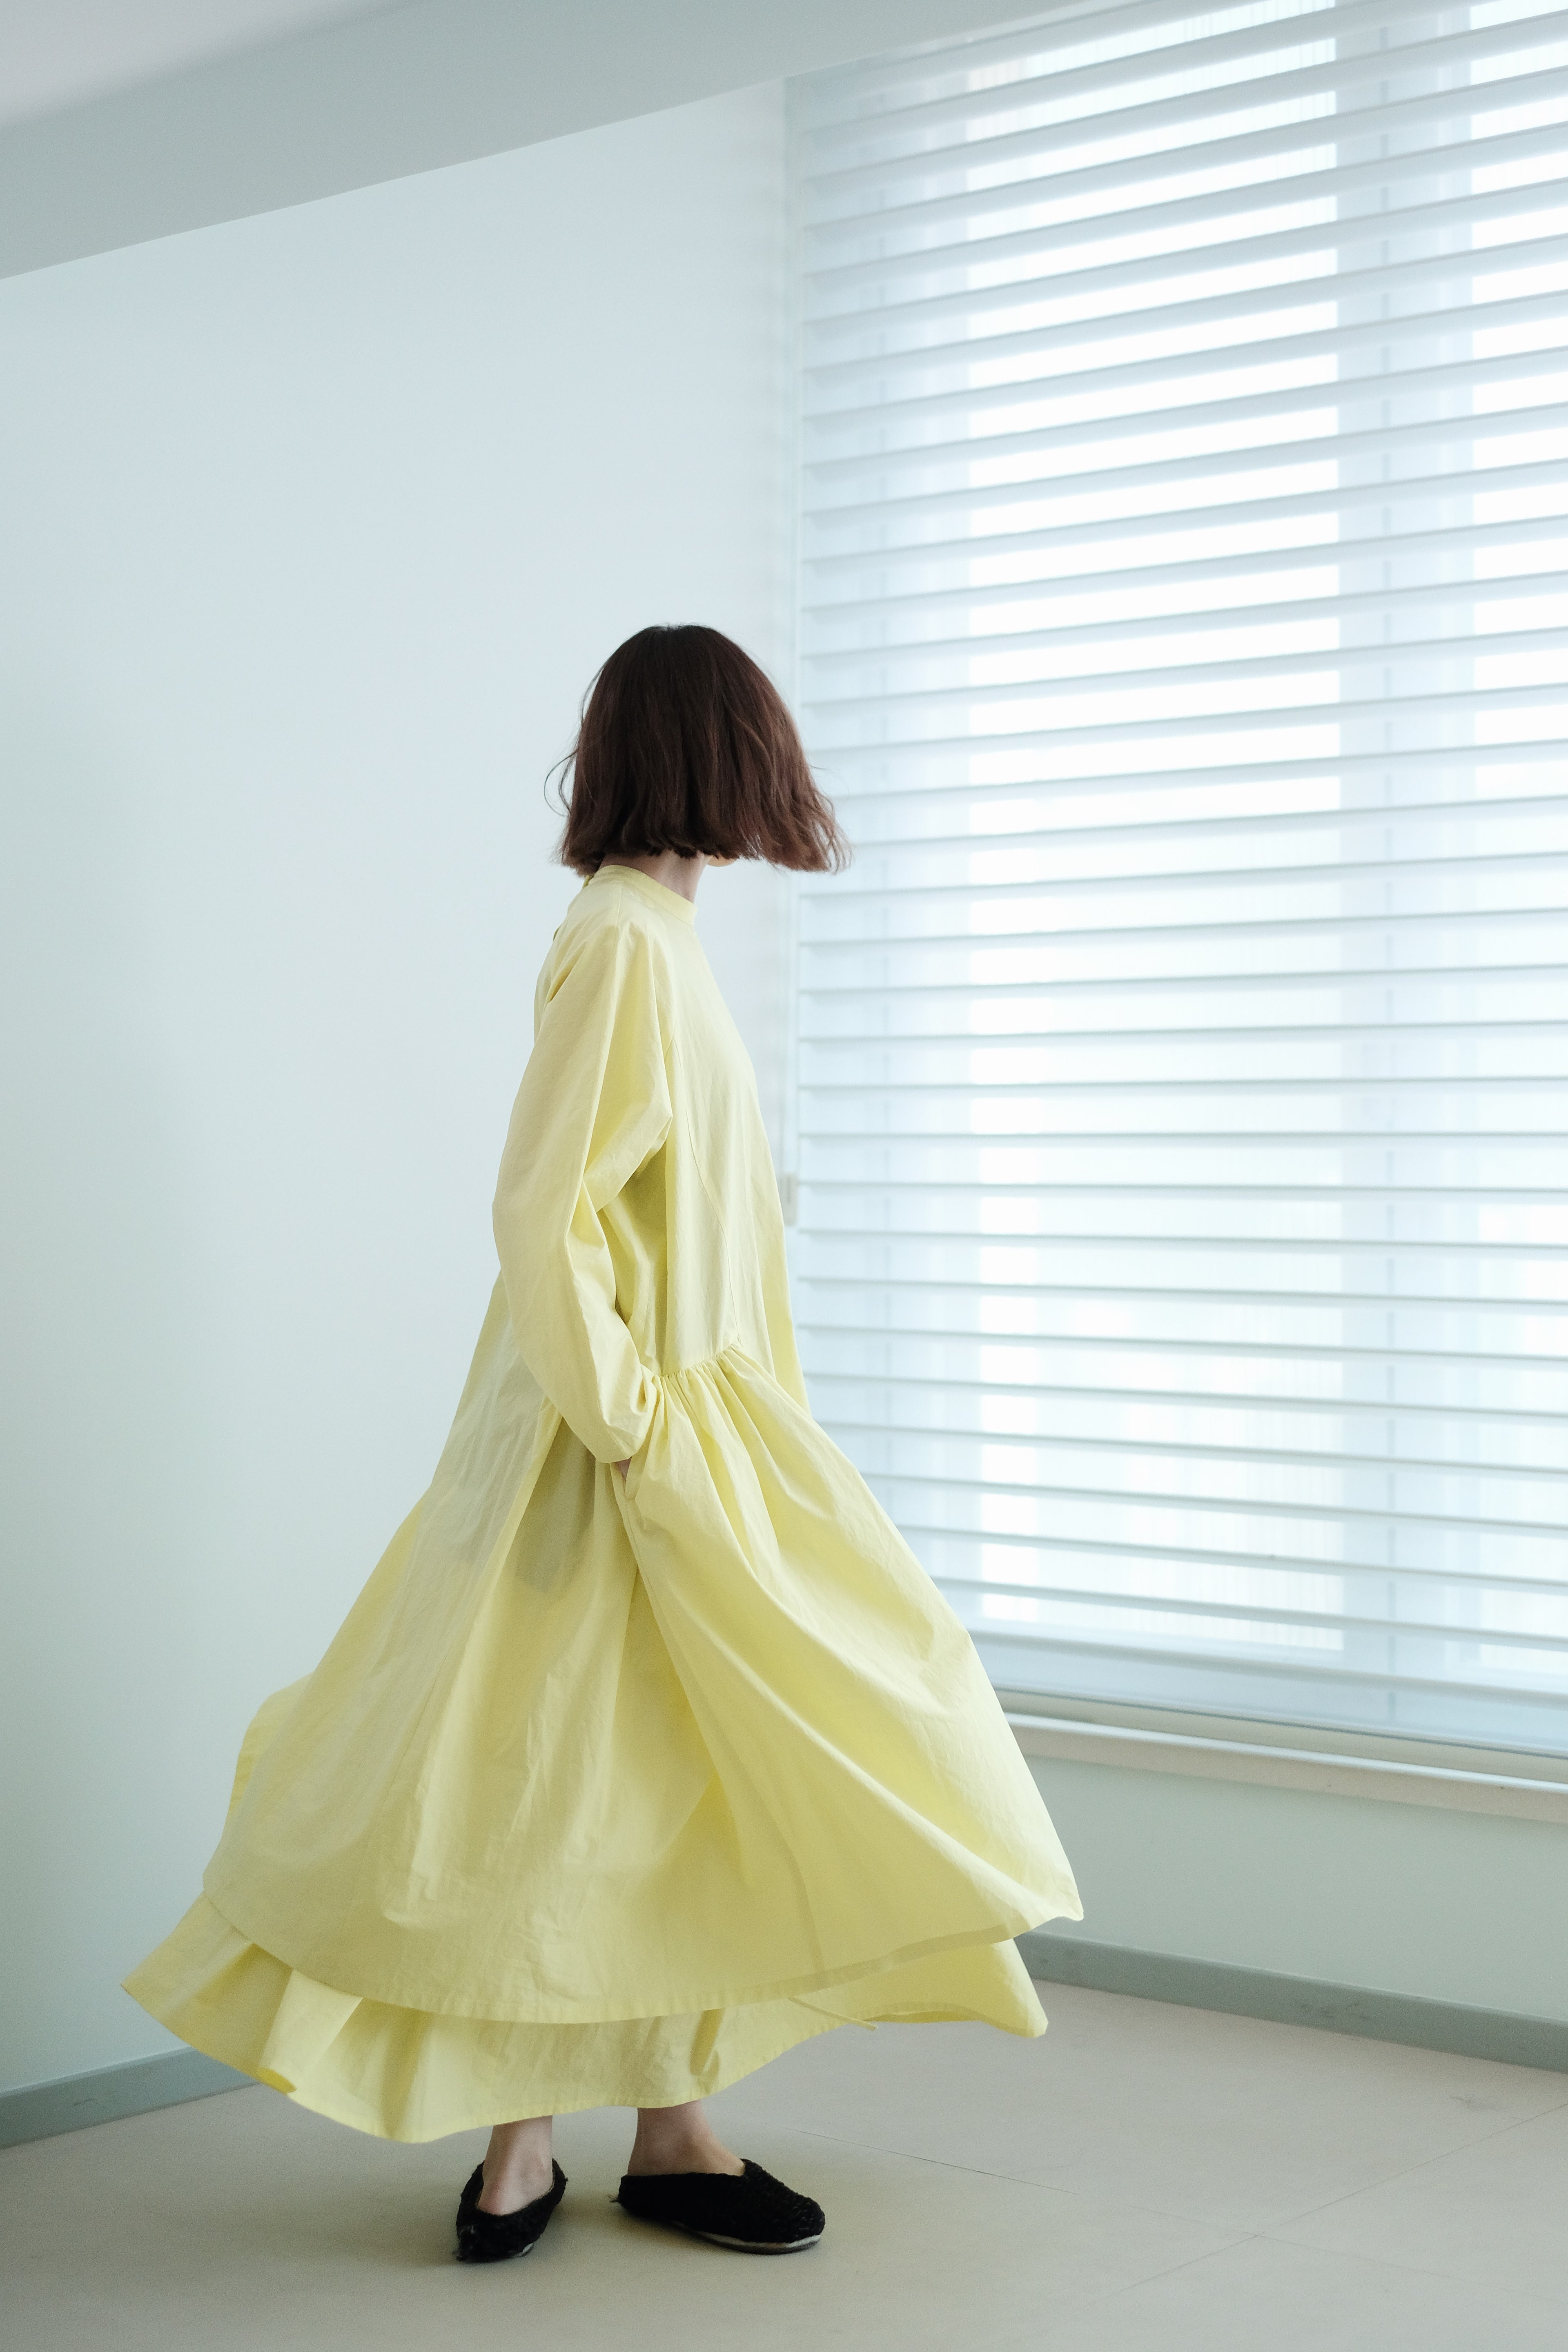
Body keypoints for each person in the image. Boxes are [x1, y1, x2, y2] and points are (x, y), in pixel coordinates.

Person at [124, 624, 1082, 2265]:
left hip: (671, 1418)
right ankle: (530, 2141)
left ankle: (666, 2132)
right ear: (722, 758)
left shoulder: (654, 938)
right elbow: (543, 1204)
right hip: (614, 1432)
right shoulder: (630, 944)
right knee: (548, 1778)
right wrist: (632, 1418)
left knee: (654, 1775)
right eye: (762, 746)